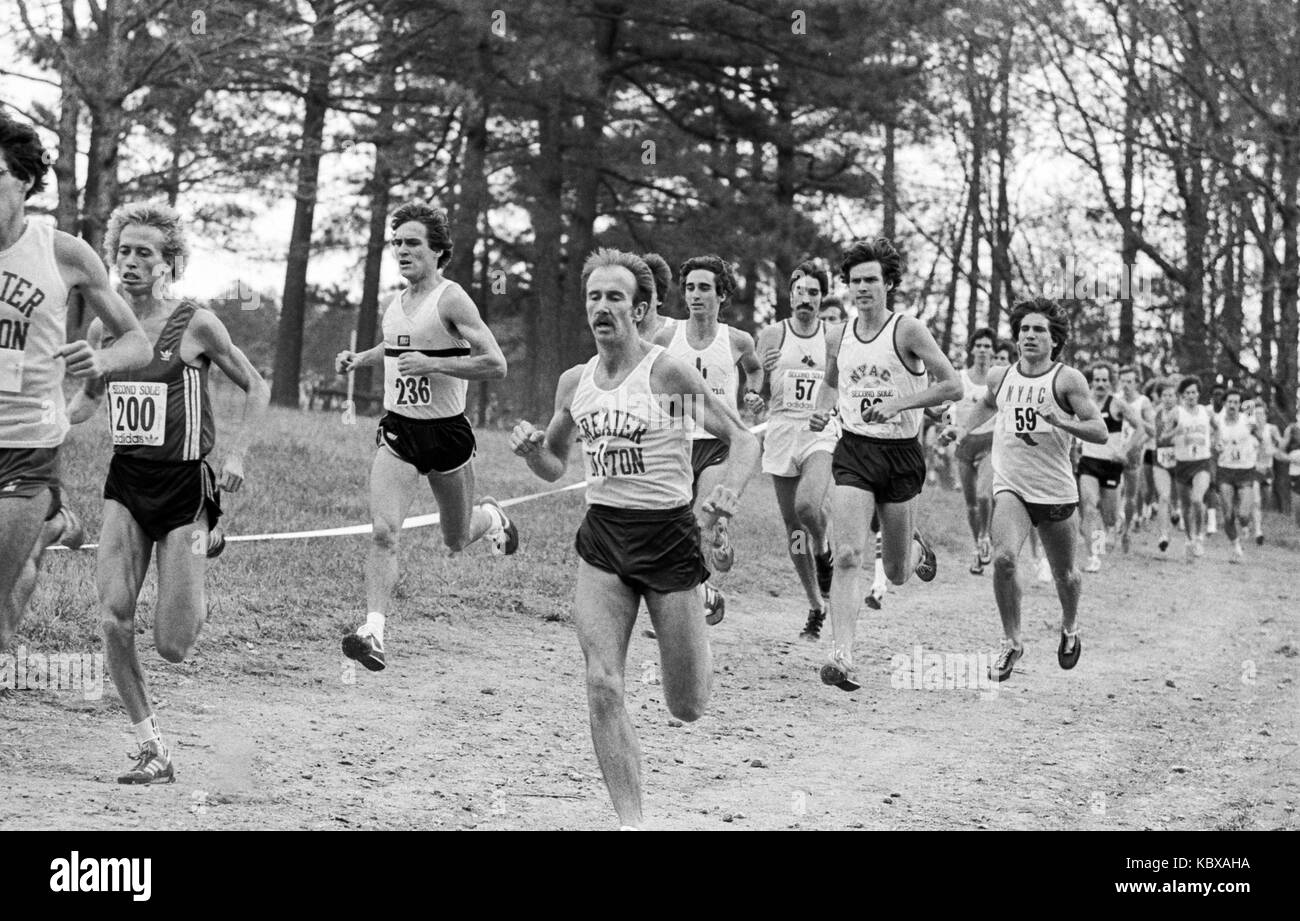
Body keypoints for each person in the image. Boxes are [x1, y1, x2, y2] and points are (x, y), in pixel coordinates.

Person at [510, 248, 759, 829]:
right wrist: (531, 452)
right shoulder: (576, 382)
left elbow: (743, 438)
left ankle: (698, 604)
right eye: (593, 296)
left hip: (669, 538)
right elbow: (554, 464)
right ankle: (632, 822)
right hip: (603, 541)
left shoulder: (666, 372)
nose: (601, 307)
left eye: (615, 297)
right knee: (602, 682)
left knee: (687, 706)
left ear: (640, 307)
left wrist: (728, 494)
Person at [70, 202, 270, 783]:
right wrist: (53, 418)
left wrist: (237, 452)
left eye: (144, 253)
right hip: (127, 483)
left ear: (169, 263)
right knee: (112, 618)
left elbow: (256, 387)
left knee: (173, 645)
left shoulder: (196, 323)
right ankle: (152, 746)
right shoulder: (103, 328)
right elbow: (89, 400)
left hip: (185, 489)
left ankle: (208, 540)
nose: (129, 263)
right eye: (123, 251)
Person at [336, 202, 517, 672]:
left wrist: (434, 363)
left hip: (447, 434)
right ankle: (373, 630)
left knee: (455, 539)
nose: (402, 251)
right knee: (383, 532)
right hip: (399, 431)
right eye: (397, 243)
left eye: (413, 243)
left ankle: (491, 518)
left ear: (438, 252)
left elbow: (496, 365)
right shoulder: (395, 304)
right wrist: (362, 359)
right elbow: (396, 348)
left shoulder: (452, 299)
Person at [0, 113, 151, 654]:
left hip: (28, 446)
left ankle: (41, 519)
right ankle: (49, 525)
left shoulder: (62, 253)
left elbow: (137, 342)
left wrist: (100, 362)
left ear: (22, 181)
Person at [810, 237, 962, 691]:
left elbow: (951, 386)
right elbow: (831, 385)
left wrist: (901, 404)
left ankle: (916, 549)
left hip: (900, 453)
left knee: (895, 573)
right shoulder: (838, 334)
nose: (863, 289)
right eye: (855, 282)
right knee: (849, 554)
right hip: (855, 450)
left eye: (871, 280)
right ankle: (842, 654)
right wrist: (824, 408)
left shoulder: (908, 330)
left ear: (888, 283)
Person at [947, 298, 1109, 682]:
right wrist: (962, 429)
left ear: (1055, 340)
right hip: (1012, 486)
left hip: (1054, 492)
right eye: (1024, 330)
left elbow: (1099, 430)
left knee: (1065, 574)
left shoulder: (1067, 380)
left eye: (1039, 330)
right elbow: (987, 405)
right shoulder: (1001, 377)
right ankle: (1011, 641)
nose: (1030, 336)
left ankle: (1069, 627)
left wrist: (1061, 423)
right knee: (1004, 559)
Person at [652, 254, 763, 626]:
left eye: (704, 288)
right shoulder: (666, 336)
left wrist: (753, 393)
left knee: (700, 521)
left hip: (718, 444)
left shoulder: (738, 340)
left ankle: (686, 607)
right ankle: (705, 590)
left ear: (722, 294)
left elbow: (755, 368)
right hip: (678, 444)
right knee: (678, 523)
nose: (695, 295)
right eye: (689, 288)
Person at [755, 262, 838, 639]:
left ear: (822, 298)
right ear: (790, 295)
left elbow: (841, 384)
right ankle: (815, 603)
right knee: (793, 527)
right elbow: (757, 391)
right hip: (781, 429)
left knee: (808, 507)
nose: (806, 299)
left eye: (814, 293)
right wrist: (757, 391)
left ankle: (824, 551)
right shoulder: (772, 334)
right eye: (800, 292)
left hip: (818, 429)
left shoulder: (833, 337)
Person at [1076, 362, 1145, 573]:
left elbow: (1140, 428)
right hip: (1089, 462)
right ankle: (1094, 556)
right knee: (1089, 507)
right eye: (1096, 380)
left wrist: (1125, 450)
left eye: (1104, 380)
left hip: (1112, 464)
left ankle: (1118, 520)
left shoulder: (1118, 404)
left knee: (1109, 517)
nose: (1100, 384)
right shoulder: (1083, 403)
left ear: (1111, 382)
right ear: (1091, 381)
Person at [944, 327, 997, 575]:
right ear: (972, 349)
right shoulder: (960, 378)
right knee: (971, 504)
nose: (984, 350)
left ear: (993, 351)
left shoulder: (997, 379)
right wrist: (947, 428)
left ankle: (986, 536)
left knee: (985, 496)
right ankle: (978, 547)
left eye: (988, 346)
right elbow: (948, 409)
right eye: (980, 345)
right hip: (965, 444)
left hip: (989, 442)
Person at [1170, 375, 1218, 562]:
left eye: (1194, 392)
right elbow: (1164, 435)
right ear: (1182, 395)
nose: (1191, 396)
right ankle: (1189, 538)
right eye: (1187, 393)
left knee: (1198, 500)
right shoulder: (1176, 413)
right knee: (1186, 505)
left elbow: (1217, 428)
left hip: (1202, 462)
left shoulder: (1207, 412)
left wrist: (1217, 440)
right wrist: (1176, 432)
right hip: (1182, 463)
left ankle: (1199, 537)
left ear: (1198, 394)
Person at [1215, 389, 1257, 563]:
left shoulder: (1247, 419)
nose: (1232, 405)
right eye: (1230, 402)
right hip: (1225, 469)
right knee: (1227, 515)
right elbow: (1213, 439)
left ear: (1240, 404)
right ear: (1224, 403)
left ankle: (1246, 524)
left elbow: (1258, 429)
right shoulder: (1218, 420)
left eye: (1236, 402)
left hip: (1245, 470)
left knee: (1243, 514)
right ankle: (1236, 547)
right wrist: (1216, 445)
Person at [1116, 365, 1155, 549]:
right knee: (1103, 496)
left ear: (1137, 382)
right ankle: (1100, 543)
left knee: (1130, 495)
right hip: (1113, 451)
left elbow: (1153, 431)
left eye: (1129, 381)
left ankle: (1126, 530)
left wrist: (1139, 438)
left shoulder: (1143, 402)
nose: (1126, 385)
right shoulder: (1114, 399)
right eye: (1123, 381)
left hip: (1134, 453)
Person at [1150, 378, 1180, 552]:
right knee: (1163, 496)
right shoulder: (1155, 413)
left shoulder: (1181, 413)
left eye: (1171, 395)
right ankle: (1163, 534)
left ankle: (1177, 512)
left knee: (1176, 495)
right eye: (1165, 395)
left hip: (1180, 459)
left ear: (1176, 397)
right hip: (1160, 458)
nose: (1168, 398)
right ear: (1160, 397)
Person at [638, 252, 676, 341]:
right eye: (637, 289)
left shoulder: (676, 331)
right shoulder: (620, 335)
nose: (639, 296)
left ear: (659, 298)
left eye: (646, 290)